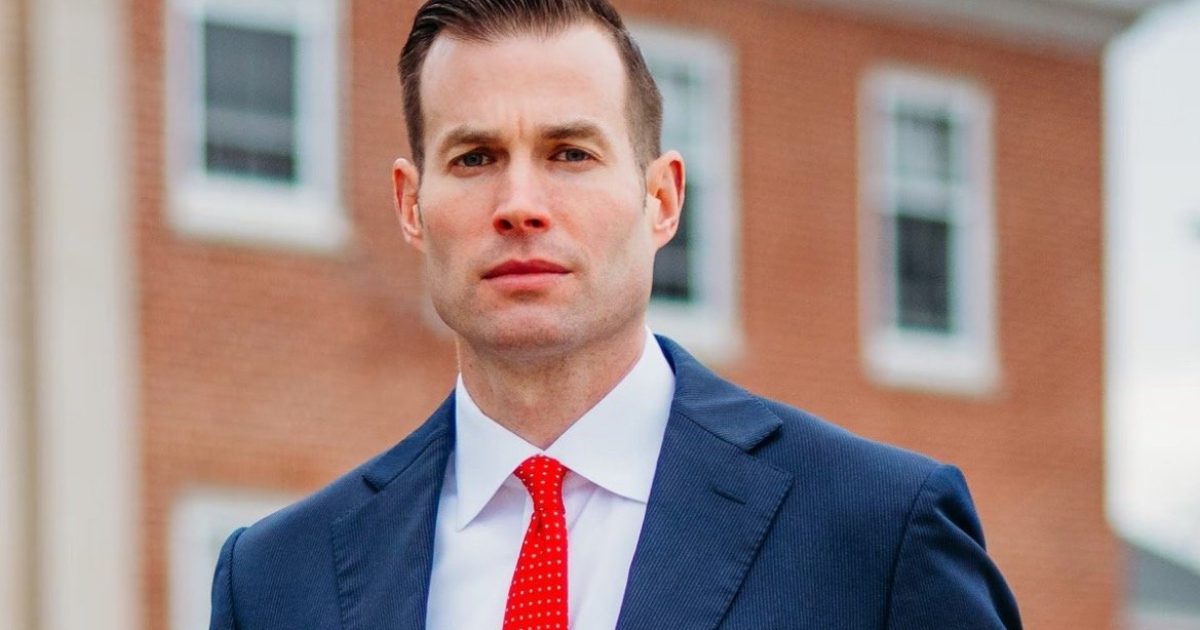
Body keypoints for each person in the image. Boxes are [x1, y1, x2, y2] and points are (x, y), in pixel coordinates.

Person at [209, 0, 1023, 628]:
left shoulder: (877, 533)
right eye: (475, 157)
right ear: (410, 205)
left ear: (661, 198)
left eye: (570, 153)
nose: (519, 204)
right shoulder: (276, 580)